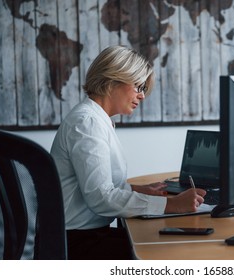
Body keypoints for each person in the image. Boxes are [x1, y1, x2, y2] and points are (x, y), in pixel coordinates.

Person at [50, 45, 206, 260]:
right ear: (113, 79)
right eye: (138, 86)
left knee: (166, 242)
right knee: (170, 252)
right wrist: (173, 204)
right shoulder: (88, 123)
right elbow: (101, 198)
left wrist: (135, 189)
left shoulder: (99, 120)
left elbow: (90, 185)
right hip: (76, 244)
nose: (142, 96)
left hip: (84, 236)